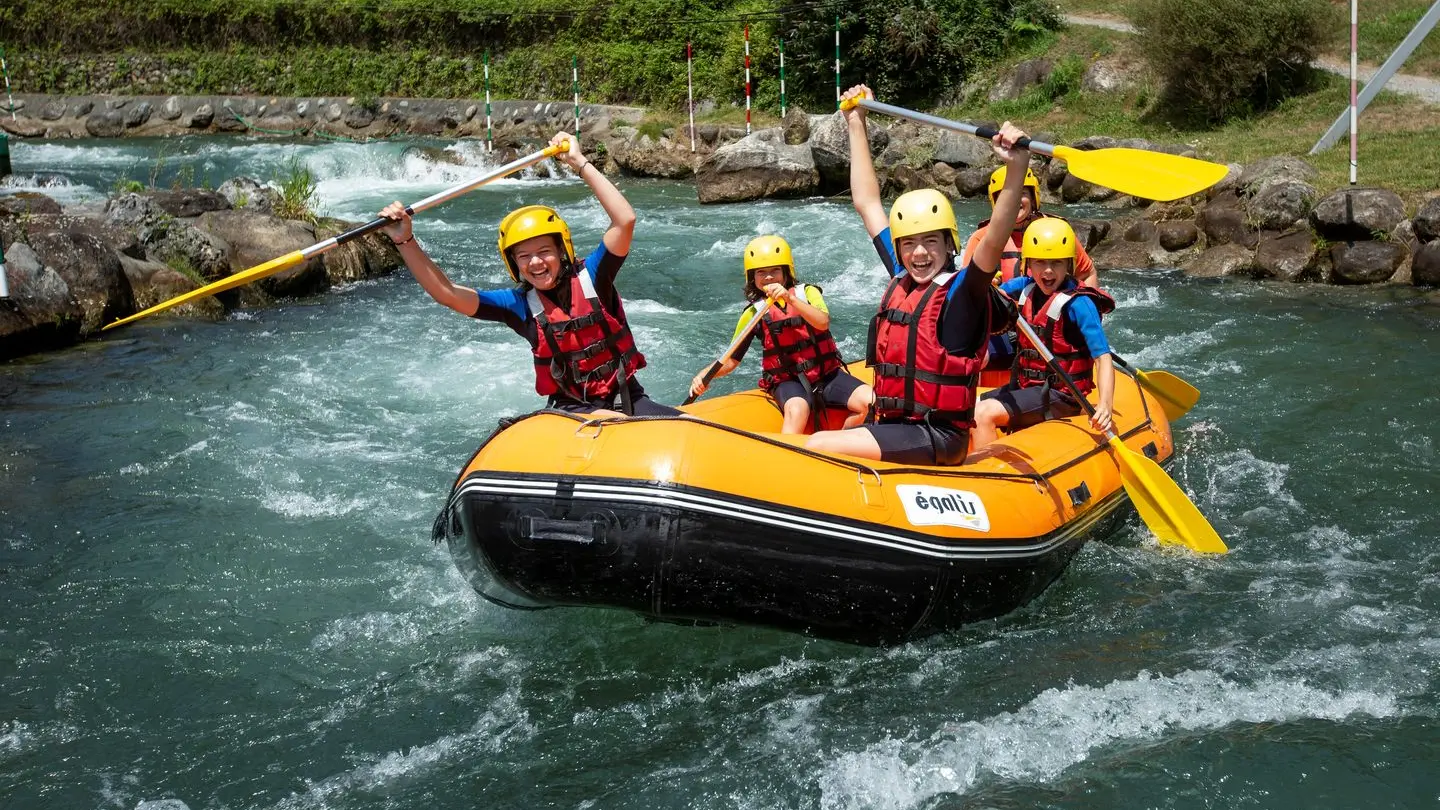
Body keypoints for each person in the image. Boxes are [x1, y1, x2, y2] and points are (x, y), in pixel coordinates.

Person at [804, 84, 1033, 465]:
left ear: (949, 245)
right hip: (897, 425)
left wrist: (1016, 165)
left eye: (931, 241)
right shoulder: (902, 276)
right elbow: (866, 202)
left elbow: (995, 235)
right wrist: (855, 121)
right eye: (909, 243)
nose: (920, 252)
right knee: (834, 437)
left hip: (938, 435)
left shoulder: (963, 293)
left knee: (818, 446)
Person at [378, 132, 680, 418]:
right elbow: (447, 294)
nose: (536, 262)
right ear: (515, 264)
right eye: (524, 256)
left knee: (685, 427)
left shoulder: (594, 276)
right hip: (571, 413)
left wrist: (580, 163)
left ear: (562, 251)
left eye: (544, 251)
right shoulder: (520, 305)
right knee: (607, 422)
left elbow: (625, 220)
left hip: (628, 398)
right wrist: (404, 240)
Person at [688, 235, 871, 433]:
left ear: (786, 271)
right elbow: (732, 360)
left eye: (775, 270)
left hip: (827, 375)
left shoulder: (807, 293)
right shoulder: (752, 313)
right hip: (788, 381)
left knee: (871, 402)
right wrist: (704, 376)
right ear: (752, 277)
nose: (768, 277)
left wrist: (790, 299)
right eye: (761, 272)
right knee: (797, 409)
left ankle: (840, 443)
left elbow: (822, 322)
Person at [970, 218, 1116, 450]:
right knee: (966, 406)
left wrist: (1105, 405)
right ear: (1028, 263)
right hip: (1026, 387)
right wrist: (987, 284)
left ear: (1069, 264)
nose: (1048, 270)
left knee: (982, 413)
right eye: (1040, 262)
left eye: (1056, 262)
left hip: (1062, 396)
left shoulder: (1080, 304)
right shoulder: (1024, 288)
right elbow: (985, 295)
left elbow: (1103, 357)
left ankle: (990, 476)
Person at [959, 165, 1098, 286]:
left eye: (1022, 193)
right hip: (1004, 311)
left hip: (1050, 312)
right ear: (996, 202)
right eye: (1006, 196)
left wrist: (1089, 311)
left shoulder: (1058, 231)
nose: (1014, 201)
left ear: (1033, 198)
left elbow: (1087, 274)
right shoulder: (982, 238)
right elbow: (964, 287)